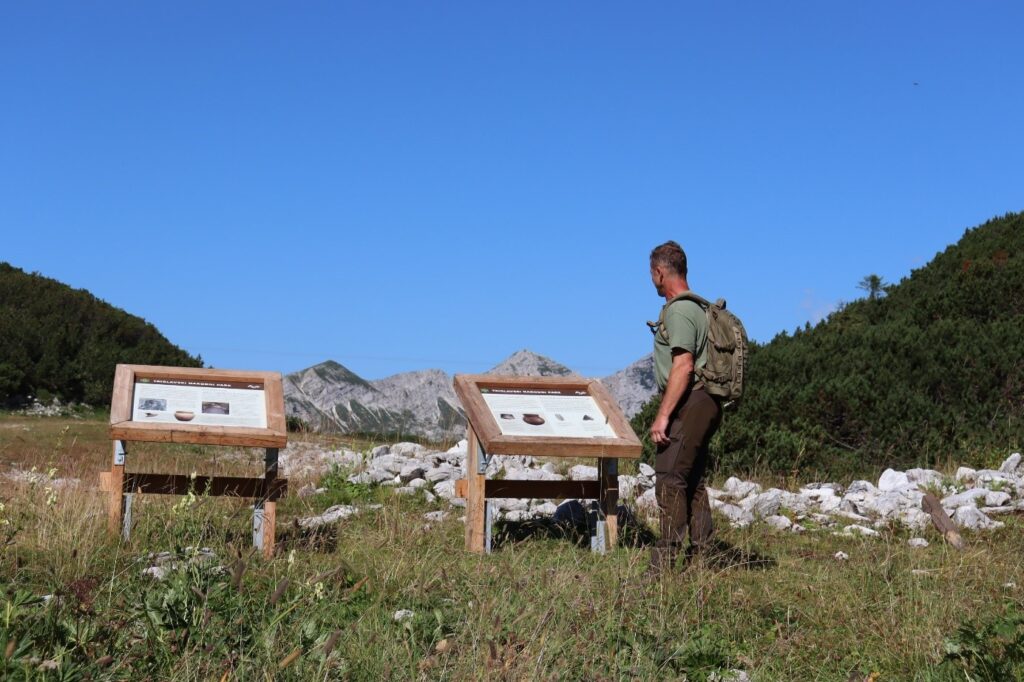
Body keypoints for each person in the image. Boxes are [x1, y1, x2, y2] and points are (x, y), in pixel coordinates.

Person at [645, 240, 722, 576]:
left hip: (693, 398)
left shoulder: (679, 310)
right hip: (707, 401)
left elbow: (684, 365)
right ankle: (704, 558)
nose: (652, 280)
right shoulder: (700, 308)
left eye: (652, 274)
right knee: (692, 479)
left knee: (670, 476)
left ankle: (664, 564)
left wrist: (663, 415)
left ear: (660, 272)